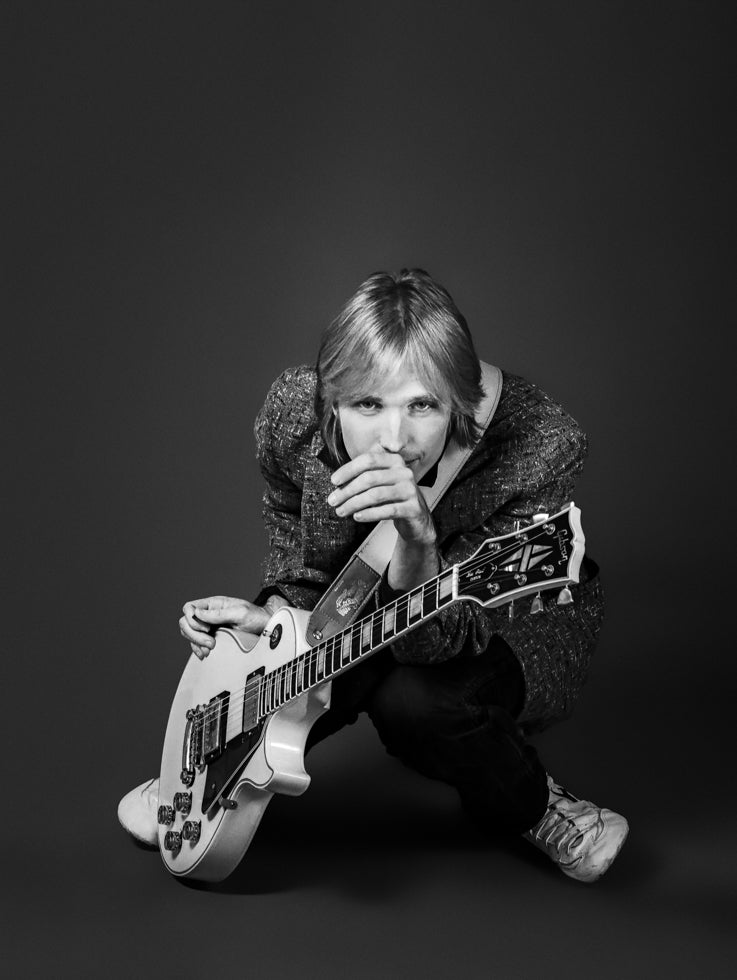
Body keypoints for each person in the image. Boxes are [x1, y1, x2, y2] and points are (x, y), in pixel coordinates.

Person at [118, 268, 628, 883]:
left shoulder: (540, 444)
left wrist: (419, 536)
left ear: (458, 403)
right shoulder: (294, 416)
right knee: (301, 664)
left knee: (417, 702)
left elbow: (445, 638)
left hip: (506, 615)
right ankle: (202, 773)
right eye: (367, 404)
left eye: (423, 405)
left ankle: (538, 804)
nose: (394, 439)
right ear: (333, 400)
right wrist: (278, 616)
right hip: (361, 596)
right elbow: (293, 529)